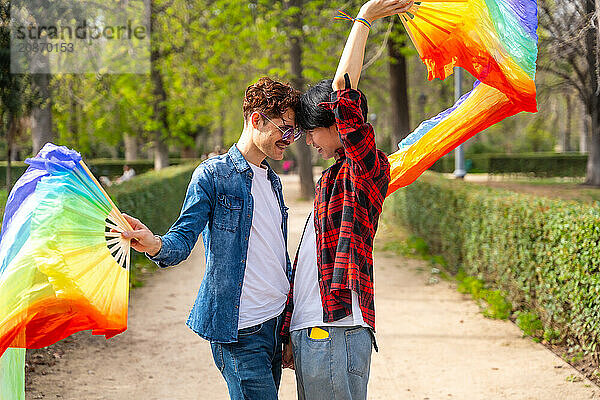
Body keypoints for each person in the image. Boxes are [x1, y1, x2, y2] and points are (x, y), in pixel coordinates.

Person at [120, 77, 302, 400]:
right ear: (256, 119)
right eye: (284, 129)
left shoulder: (273, 182)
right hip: (240, 333)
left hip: (275, 326)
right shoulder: (213, 175)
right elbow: (183, 237)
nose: (289, 139)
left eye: (295, 132)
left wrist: (287, 327)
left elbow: (278, 258)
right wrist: (154, 244)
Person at [280, 1, 414, 399]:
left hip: (335, 329)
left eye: (311, 131)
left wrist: (364, 19)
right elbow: (309, 263)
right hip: (315, 330)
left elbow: (344, 94)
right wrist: (292, 328)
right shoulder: (331, 179)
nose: (306, 140)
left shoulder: (366, 170)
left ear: (338, 124)